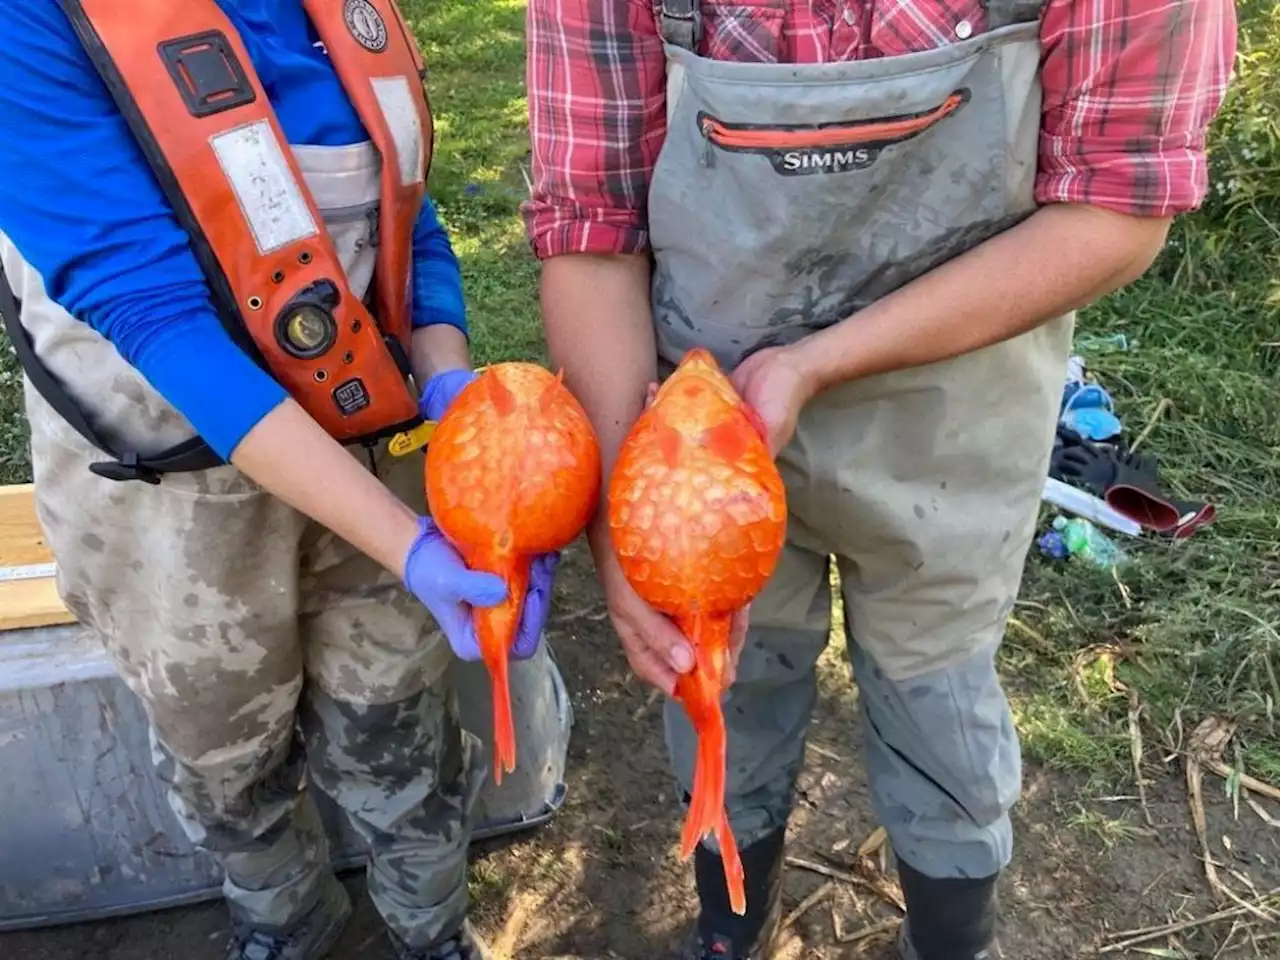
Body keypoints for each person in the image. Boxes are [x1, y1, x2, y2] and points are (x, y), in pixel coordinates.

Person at [524, 0, 1236, 957]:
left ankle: (951, 942)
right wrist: (626, 515)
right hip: (703, 446)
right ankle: (730, 926)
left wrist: (816, 362)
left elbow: (1116, 206)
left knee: (937, 704)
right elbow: (591, 225)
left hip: (954, 418)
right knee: (723, 690)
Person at [0, 2, 561, 958]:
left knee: (401, 729)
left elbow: (407, 219)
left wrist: (443, 374)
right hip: (166, 490)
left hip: (370, 443)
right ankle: (284, 921)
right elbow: (152, 309)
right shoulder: (35, 24)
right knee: (222, 754)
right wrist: (409, 545)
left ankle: (431, 931)